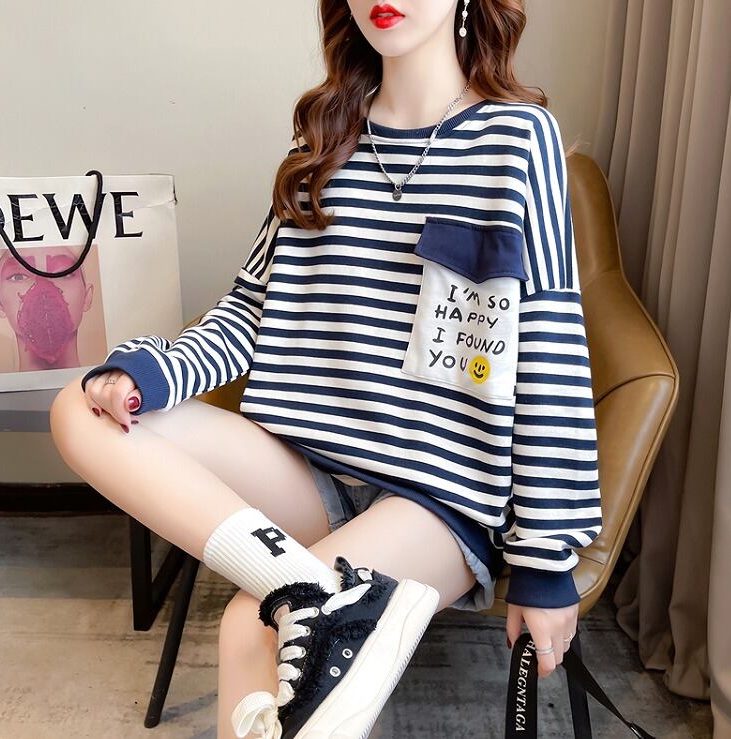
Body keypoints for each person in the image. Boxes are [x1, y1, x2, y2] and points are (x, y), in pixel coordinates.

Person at [50, 1, 603, 737]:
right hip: (310, 469)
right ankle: (310, 592)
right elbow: (252, 311)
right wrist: (152, 376)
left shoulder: (517, 138)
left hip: (436, 498)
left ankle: (300, 599)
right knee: (80, 406)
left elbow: (550, 351)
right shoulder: (325, 135)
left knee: (250, 624)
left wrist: (544, 561)